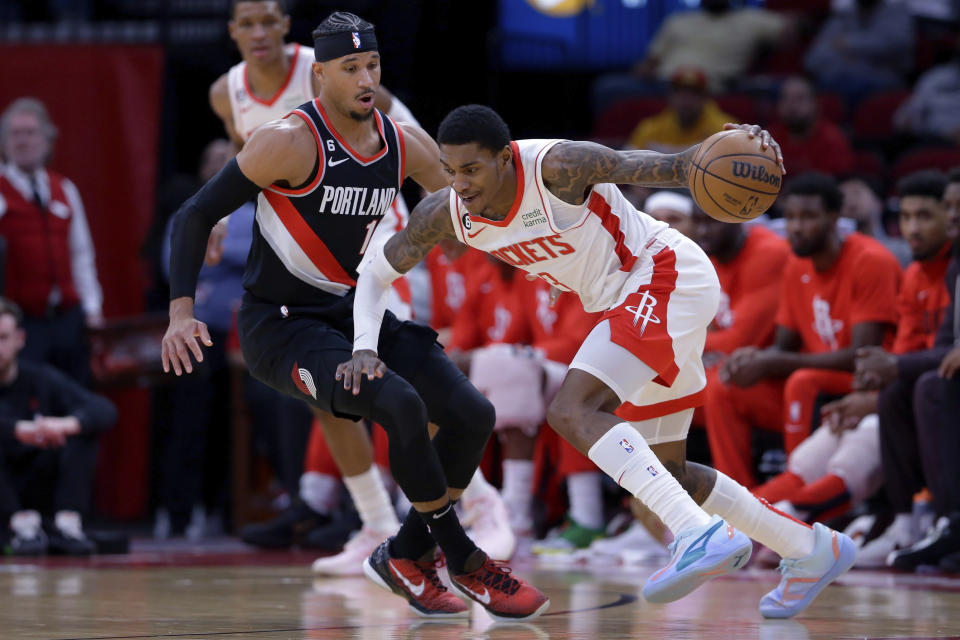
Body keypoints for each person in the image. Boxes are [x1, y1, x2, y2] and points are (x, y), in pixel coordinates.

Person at [340, 104, 856, 618]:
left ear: (504, 158)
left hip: (663, 272)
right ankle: (809, 550)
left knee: (572, 410)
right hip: (635, 298)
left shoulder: (559, 167)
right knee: (670, 473)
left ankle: (698, 534)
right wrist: (364, 344)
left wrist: (737, 144)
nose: (460, 184)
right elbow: (374, 274)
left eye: (471, 170)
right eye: (450, 172)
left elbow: (676, 167)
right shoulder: (447, 211)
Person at [161, 12, 547, 621]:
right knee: (399, 405)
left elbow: (463, 201)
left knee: (471, 413)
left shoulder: (402, 143)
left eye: (372, 66)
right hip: (281, 326)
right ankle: (465, 559)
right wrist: (181, 312)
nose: (366, 78)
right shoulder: (287, 140)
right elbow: (192, 215)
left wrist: (520, 225)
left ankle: (404, 553)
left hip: (352, 311)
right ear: (320, 78)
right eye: (350, 68)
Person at [751, 171, 953, 541]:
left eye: (925, 216)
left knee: (891, 410)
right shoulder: (915, 275)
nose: (912, 228)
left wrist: (872, 397)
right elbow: (901, 356)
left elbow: (885, 357)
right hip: (889, 390)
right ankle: (719, 519)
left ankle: (780, 526)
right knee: (813, 457)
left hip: (904, 395)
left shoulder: (901, 264)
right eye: (906, 217)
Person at [704, 173, 902, 489]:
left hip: (864, 386)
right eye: (791, 217)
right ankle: (733, 493)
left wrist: (773, 362)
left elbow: (863, 357)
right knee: (724, 384)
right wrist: (754, 357)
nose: (796, 226)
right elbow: (784, 346)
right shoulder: (797, 264)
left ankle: (795, 487)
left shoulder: (870, 260)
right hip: (813, 383)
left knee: (801, 380)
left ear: (835, 218)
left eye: (808, 217)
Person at [851, 169, 960, 569]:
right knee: (899, 391)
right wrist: (880, 373)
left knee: (930, 387)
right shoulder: (931, 271)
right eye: (907, 217)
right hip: (933, 382)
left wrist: (894, 364)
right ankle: (907, 520)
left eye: (925, 215)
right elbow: (939, 346)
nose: (951, 218)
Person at [0, 297, 116, 555]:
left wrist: (65, 424)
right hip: (5, 494)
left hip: (38, 484)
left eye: (3, 337)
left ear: (20, 339)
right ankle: (17, 525)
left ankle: (67, 525)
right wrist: (18, 429)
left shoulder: (40, 378)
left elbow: (104, 410)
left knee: (81, 431)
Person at [0, 97, 103, 384]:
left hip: (67, 318)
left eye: (30, 133)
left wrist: (92, 309)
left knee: (74, 391)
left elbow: (82, 254)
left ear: (46, 140)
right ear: (4, 143)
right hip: (21, 322)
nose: (23, 141)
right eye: (15, 133)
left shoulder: (64, 189)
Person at [804, 0, 914, 100]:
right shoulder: (843, 15)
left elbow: (894, 44)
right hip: (836, 80)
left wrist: (850, 44)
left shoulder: (896, 12)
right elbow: (813, 59)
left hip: (880, 84)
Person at [626, 68, 735, 155]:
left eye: (694, 93)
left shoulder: (724, 130)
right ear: (670, 96)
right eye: (679, 92)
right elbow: (630, 174)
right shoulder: (649, 129)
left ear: (705, 98)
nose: (685, 99)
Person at [767, 76, 853, 179]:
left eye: (800, 98)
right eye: (785, 98)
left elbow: (837, 183)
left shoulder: (832, 139)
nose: (792, 105)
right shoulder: (770, 137)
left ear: (814, 103)